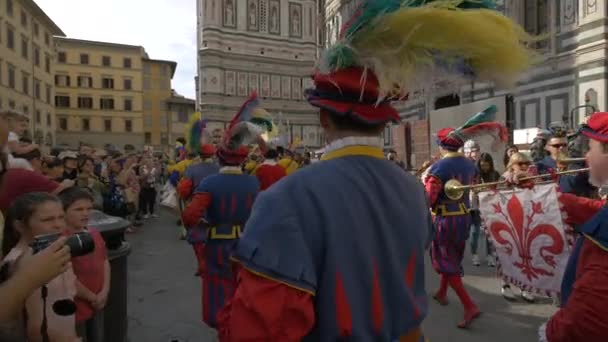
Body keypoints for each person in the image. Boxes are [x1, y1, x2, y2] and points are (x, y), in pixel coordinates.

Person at [181, 94, 262, 328]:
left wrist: (201, 228)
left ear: (220, 158)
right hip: (246, 245)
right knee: (242, 287)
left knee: (218, 290)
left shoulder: (210, 184)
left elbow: (190, 216)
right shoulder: (253, 182)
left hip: (218, 247)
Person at [2, 193, 79, 342]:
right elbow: (30, 322)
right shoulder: (18, 263)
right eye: (47, 219)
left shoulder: (51, 251)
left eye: (61, 217)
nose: (58, 225)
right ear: (19, 226)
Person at [425, 127, 481, 328]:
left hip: (445, 220)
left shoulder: (438, 168)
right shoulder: (470, 165)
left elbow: (429, 198)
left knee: (444, 258)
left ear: (441, 145)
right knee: (452, 257)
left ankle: (469, 305)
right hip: (463, 217)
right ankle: (441, 293)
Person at [59, 188, 110, 342]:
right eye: (79, 209)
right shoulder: (62, 241)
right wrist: (92, 297)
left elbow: (104, 261)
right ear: (63, 211)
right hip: (77, 307)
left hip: (98, 301)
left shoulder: (94, 233)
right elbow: (66, 276)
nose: (86, 213)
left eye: (89, 209)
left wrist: (104, 291)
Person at [470, 152, 499, 267]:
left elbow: (499, 188)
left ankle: (489, 255)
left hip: (490, 206)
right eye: (482, 165)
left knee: (489, 233)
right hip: (476, 207)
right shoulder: (475, 175)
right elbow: (471, 188)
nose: (484, 168)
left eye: (487, 165)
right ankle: (474, 254)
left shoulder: (495, 174)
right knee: (475, 231)